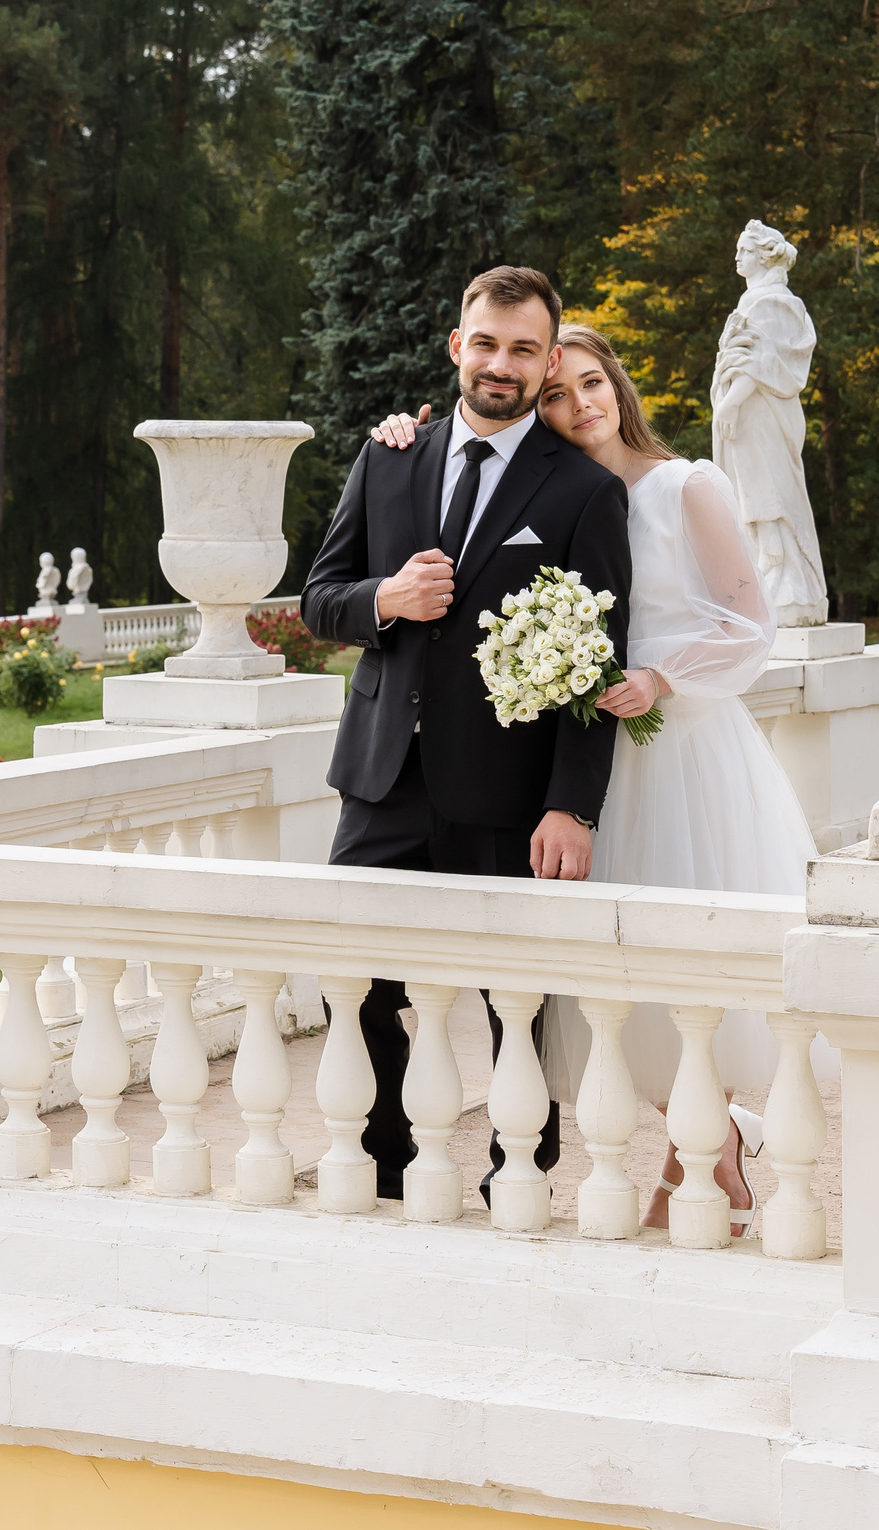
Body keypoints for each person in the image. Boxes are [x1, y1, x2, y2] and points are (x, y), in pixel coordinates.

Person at [369, 323, 820, 1234]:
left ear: (618, 384)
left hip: (682, 749)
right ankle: (714, 1149)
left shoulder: (684, 486)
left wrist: (658, 677)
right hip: (590, 758)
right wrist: (398, 433)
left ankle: (709, 1159)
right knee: (622, 979)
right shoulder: (560, 491)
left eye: (591, 384)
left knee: (689, 957)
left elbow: (750, 623)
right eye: (557, 396)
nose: (580, 406)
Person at [301, 268, 635, 1204]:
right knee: (353, 979)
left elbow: (600, 665)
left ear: (550, 360)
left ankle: (517, 1172)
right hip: (380, 778)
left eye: (525, 349)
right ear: (457, 345)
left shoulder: (581, 492)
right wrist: (386, 599)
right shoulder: (390, 457)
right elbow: (318, 600)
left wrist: (572, 802)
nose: (502, 363)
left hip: (508, 790)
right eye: (486, 342)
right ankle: (393, 1160)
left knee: (514, 1002)